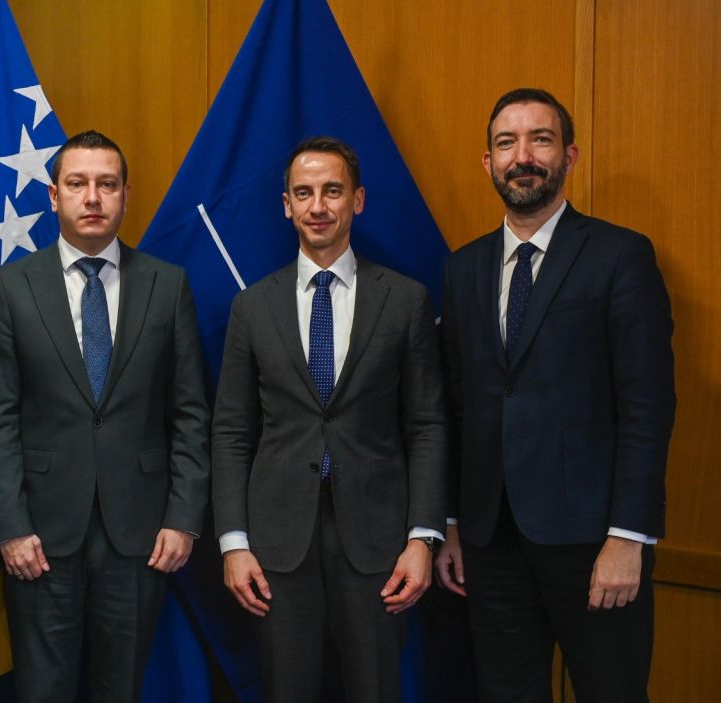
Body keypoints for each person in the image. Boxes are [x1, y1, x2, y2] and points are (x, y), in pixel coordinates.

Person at [437, 88, 675, 702]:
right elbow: (458, 406)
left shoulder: (620, 256)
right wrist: (454, 524)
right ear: (488, 162)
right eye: (506, 143)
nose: (523, 156)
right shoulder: (463, 269)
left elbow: (647, 408)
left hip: (594, 542)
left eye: (539, 140)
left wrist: (629, 536)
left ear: (569, 156)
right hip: (492, 543)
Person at [0, 130, 210, 703]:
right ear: (53, 196)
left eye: (107, 184)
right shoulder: (12, 286)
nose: (92, 197)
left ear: (126, 195)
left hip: (141, 533)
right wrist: (10, 526)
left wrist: (184, 518)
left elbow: (189, 412)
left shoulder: (167, 284)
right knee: (42, 691)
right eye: (77, 183)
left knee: (120, 689)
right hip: (39, 535)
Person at [212, 136, 447, 702]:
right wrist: (233, 543)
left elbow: (427, 425)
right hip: (276, 543)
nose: (317, 206)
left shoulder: (405, 300)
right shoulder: (252, 307)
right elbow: (232, 431)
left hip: (378, 541)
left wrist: (423, 538)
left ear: (357, 200)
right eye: (304, 193)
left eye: (332, 191)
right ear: (286, 205)